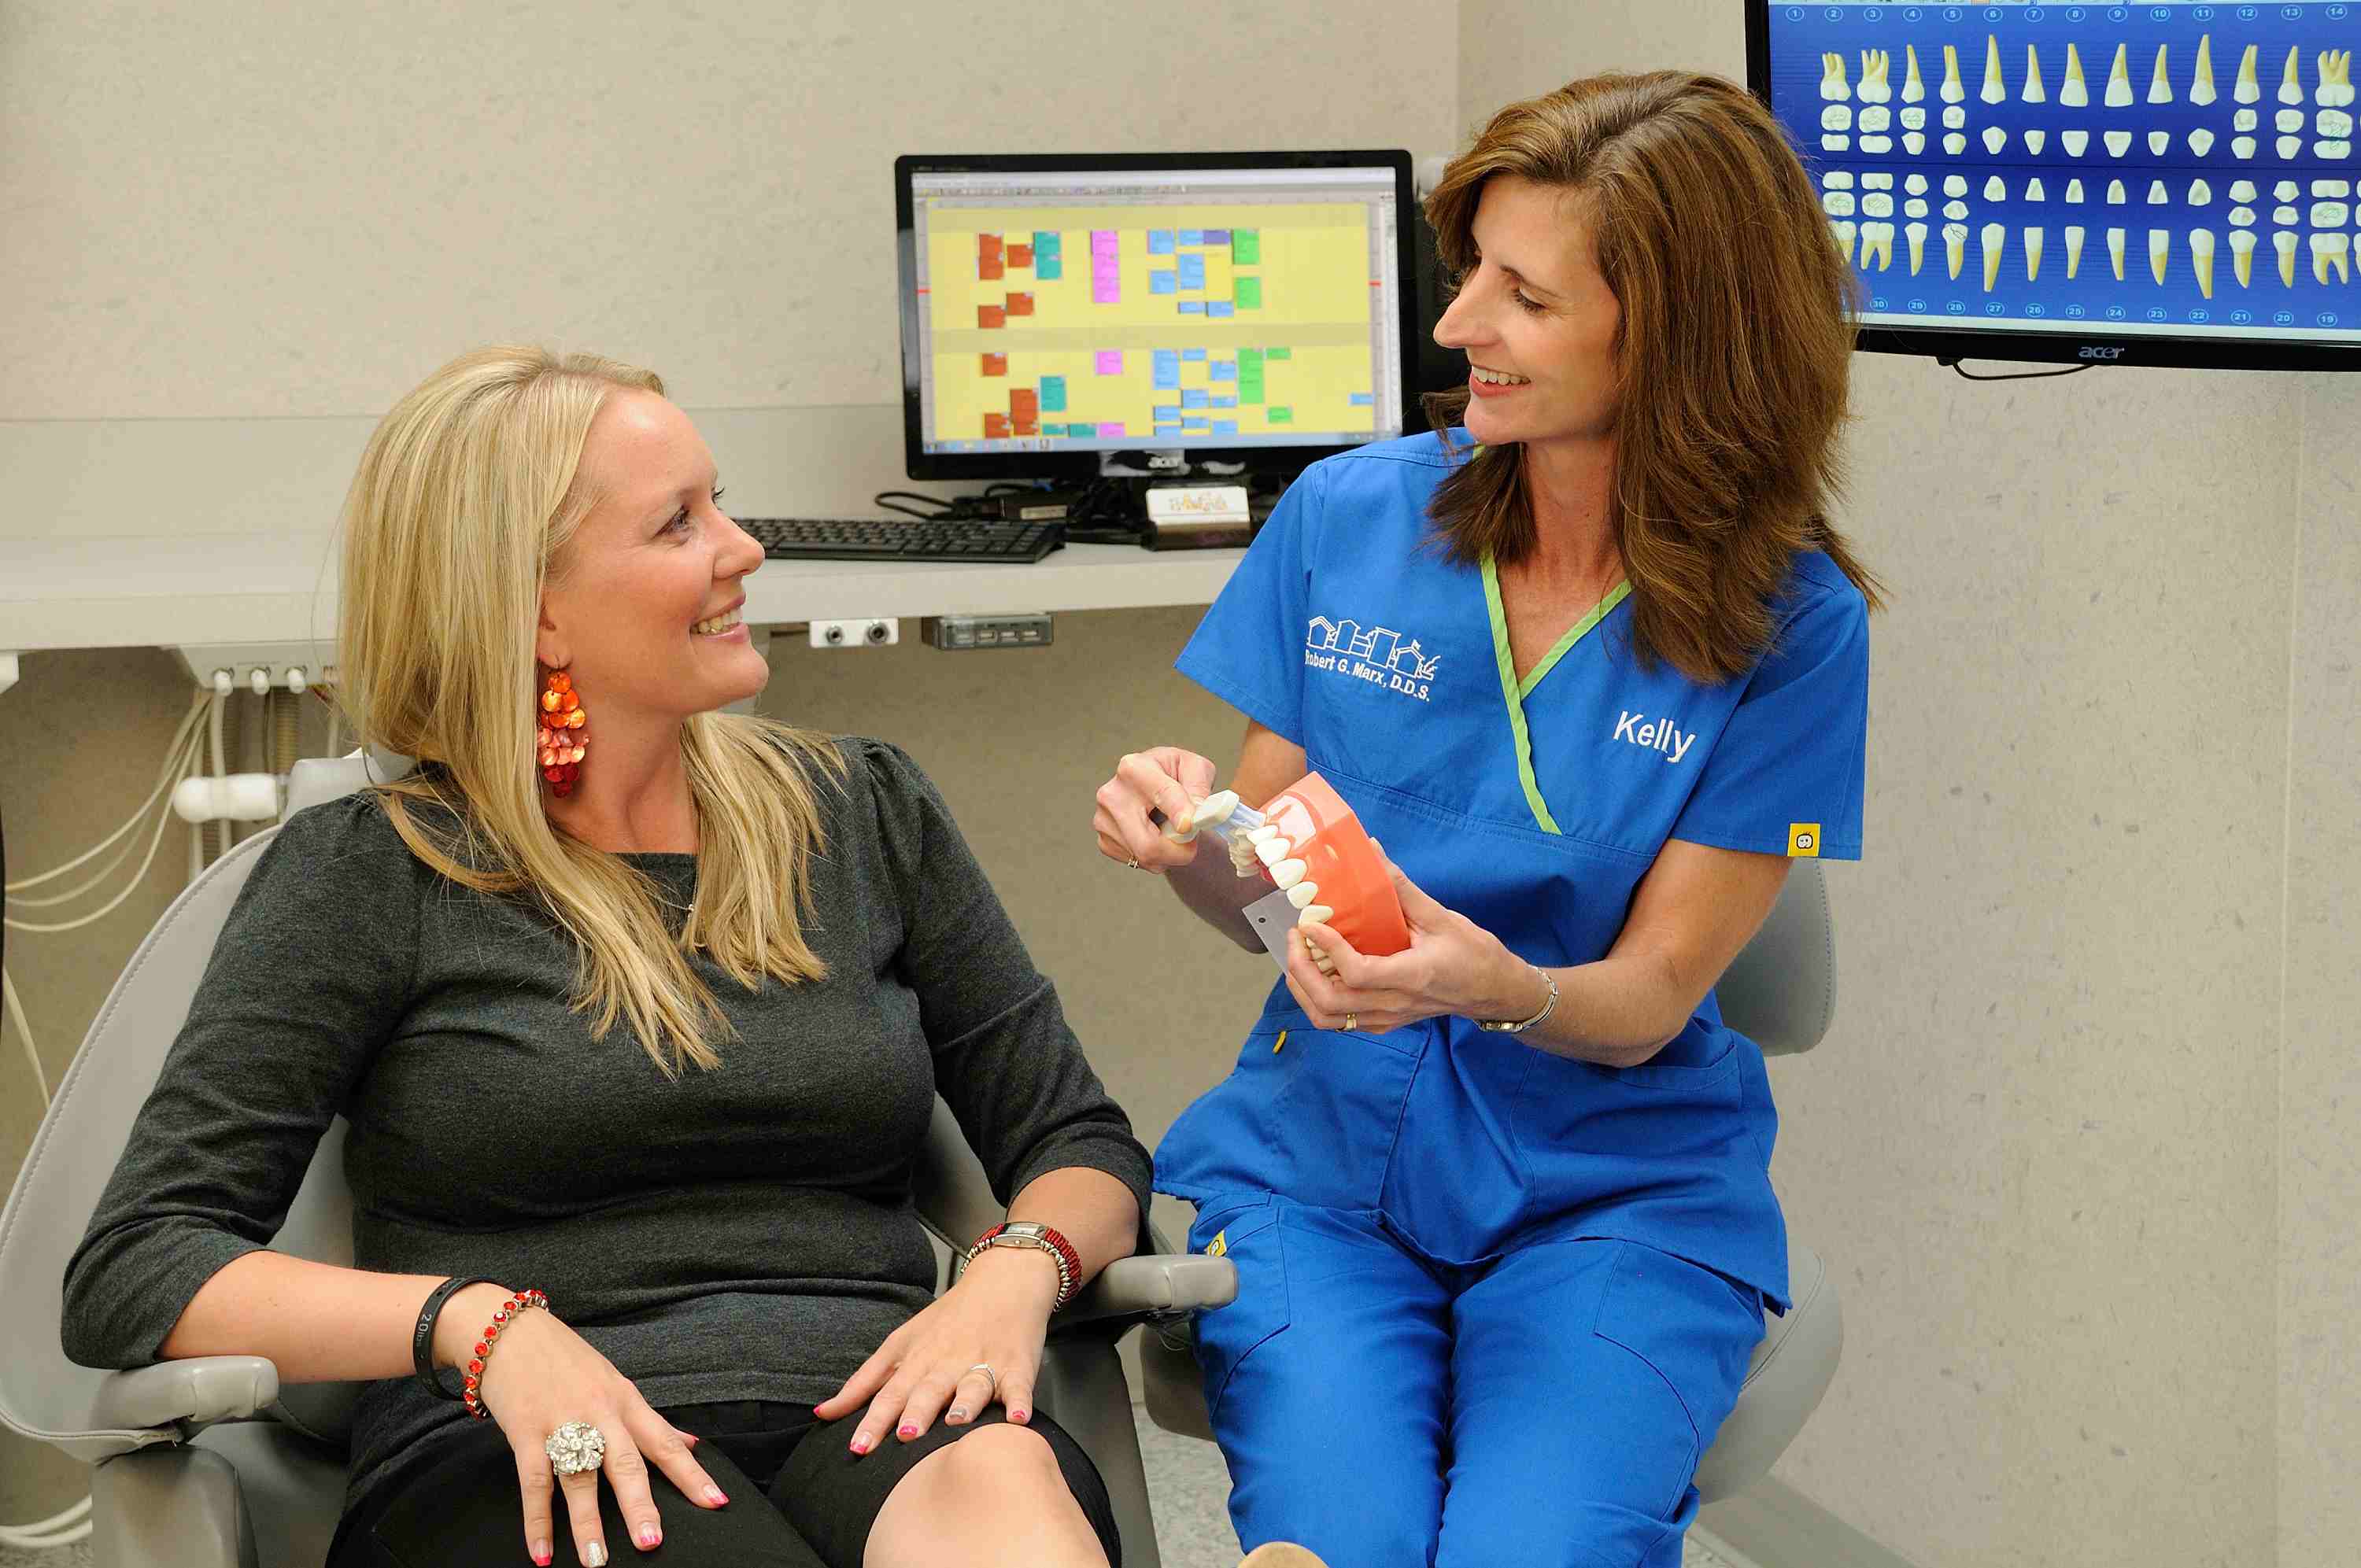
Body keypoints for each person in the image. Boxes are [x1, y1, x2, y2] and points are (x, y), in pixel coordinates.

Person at [63, 345, 1164, 1568]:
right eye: (677, 522)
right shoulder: (371, 872)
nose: (745, 549)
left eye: (719, 502)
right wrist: (473, 1325)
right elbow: (140, 1265)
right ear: (535, 608)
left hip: (879, 1399)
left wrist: (1018, 1268)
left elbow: (1079, 1141)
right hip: (523, 1444)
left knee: (1005, 1493)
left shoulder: (863, 812)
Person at [1092, 72, 1879, 1566]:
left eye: (1524, 296)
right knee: (1339, 1541)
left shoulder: (1793, 626)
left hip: (1611, 1188)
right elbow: (1268, 901)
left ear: (1677, 337)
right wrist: (1193, 841)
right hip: (1325, 1166)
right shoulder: (1350, 518)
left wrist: (1499, 987)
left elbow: (1654, 996)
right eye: (1470, 276)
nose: (1457, 328)